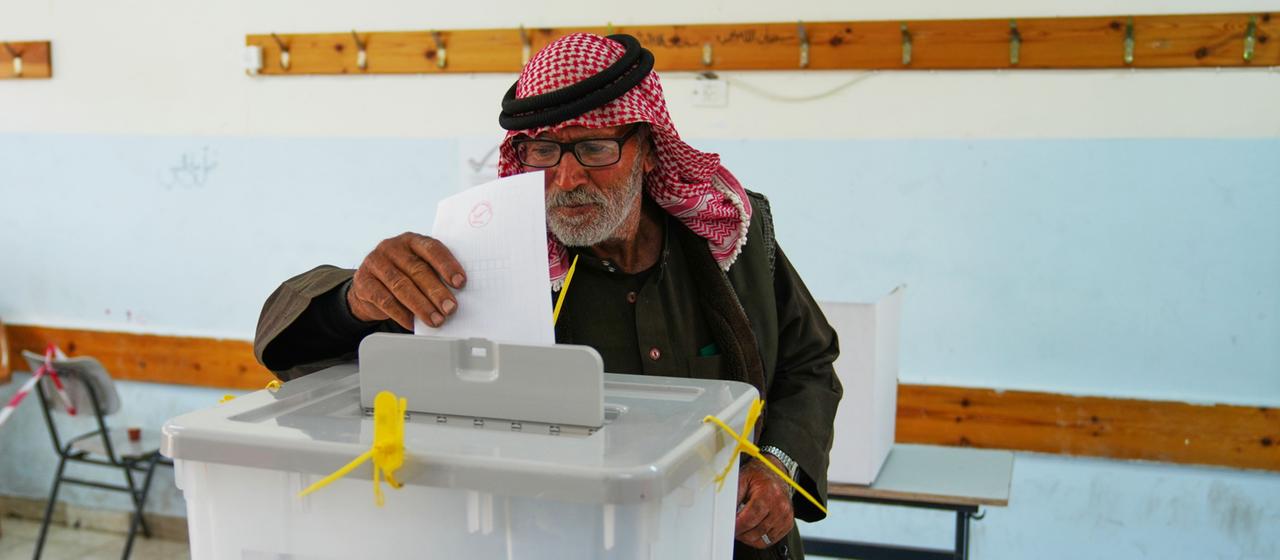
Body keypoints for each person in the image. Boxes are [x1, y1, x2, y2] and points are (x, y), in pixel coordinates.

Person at [254, 32, 841, 560]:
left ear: (649, 148)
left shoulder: (732, 239)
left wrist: (779, 468)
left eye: (594, 148)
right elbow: (306, 359)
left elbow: (807, 364)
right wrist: (351, 300)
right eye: (544, 151)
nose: (567, 178)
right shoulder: (486, 264)